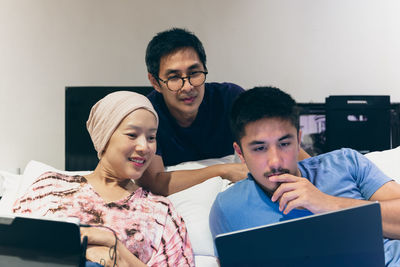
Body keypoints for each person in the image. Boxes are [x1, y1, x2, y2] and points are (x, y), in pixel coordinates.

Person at [209, 86, 400, 266]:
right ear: (240, 153)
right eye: (260, 148)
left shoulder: (345, 163)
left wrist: (328, 204)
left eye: (284, 144)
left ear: (299, 140)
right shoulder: (227, 208)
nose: (275, 161)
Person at [13, 91, 194, 267]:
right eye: (132, 135)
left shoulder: (161, 213)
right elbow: (11, 249)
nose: (144, 147)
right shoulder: (49, 188)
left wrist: (116, 249)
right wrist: (83, 249)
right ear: (105, 136)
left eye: (151, 137)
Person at [141, 27, 309, 196]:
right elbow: (154, 182)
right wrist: (223, 170)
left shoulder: (230, 98)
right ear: (155, 82)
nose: (188, 86)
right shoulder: (147, 114)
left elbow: (284, 147)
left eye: (194, 73)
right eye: (174, 78)